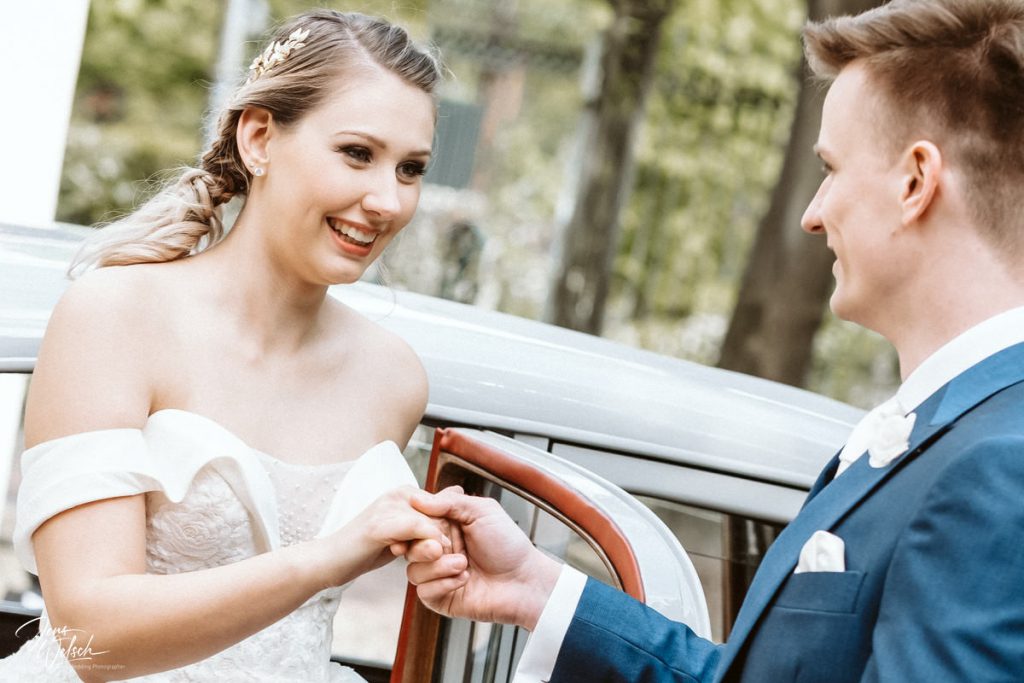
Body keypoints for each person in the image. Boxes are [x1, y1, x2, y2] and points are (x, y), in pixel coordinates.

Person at [407, 0, 1024, 680]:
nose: (812, 215)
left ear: (915, 182)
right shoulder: (962, 433)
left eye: (831, 169)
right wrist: (536, 587)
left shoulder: (1000, 463)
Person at [1, 10, 449, 682]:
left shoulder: (394, 379)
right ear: (259, 137)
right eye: (357, 153)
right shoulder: (116, 316)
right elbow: (89, 639)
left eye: (410, 169)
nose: (387, 200)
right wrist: (330, 556)